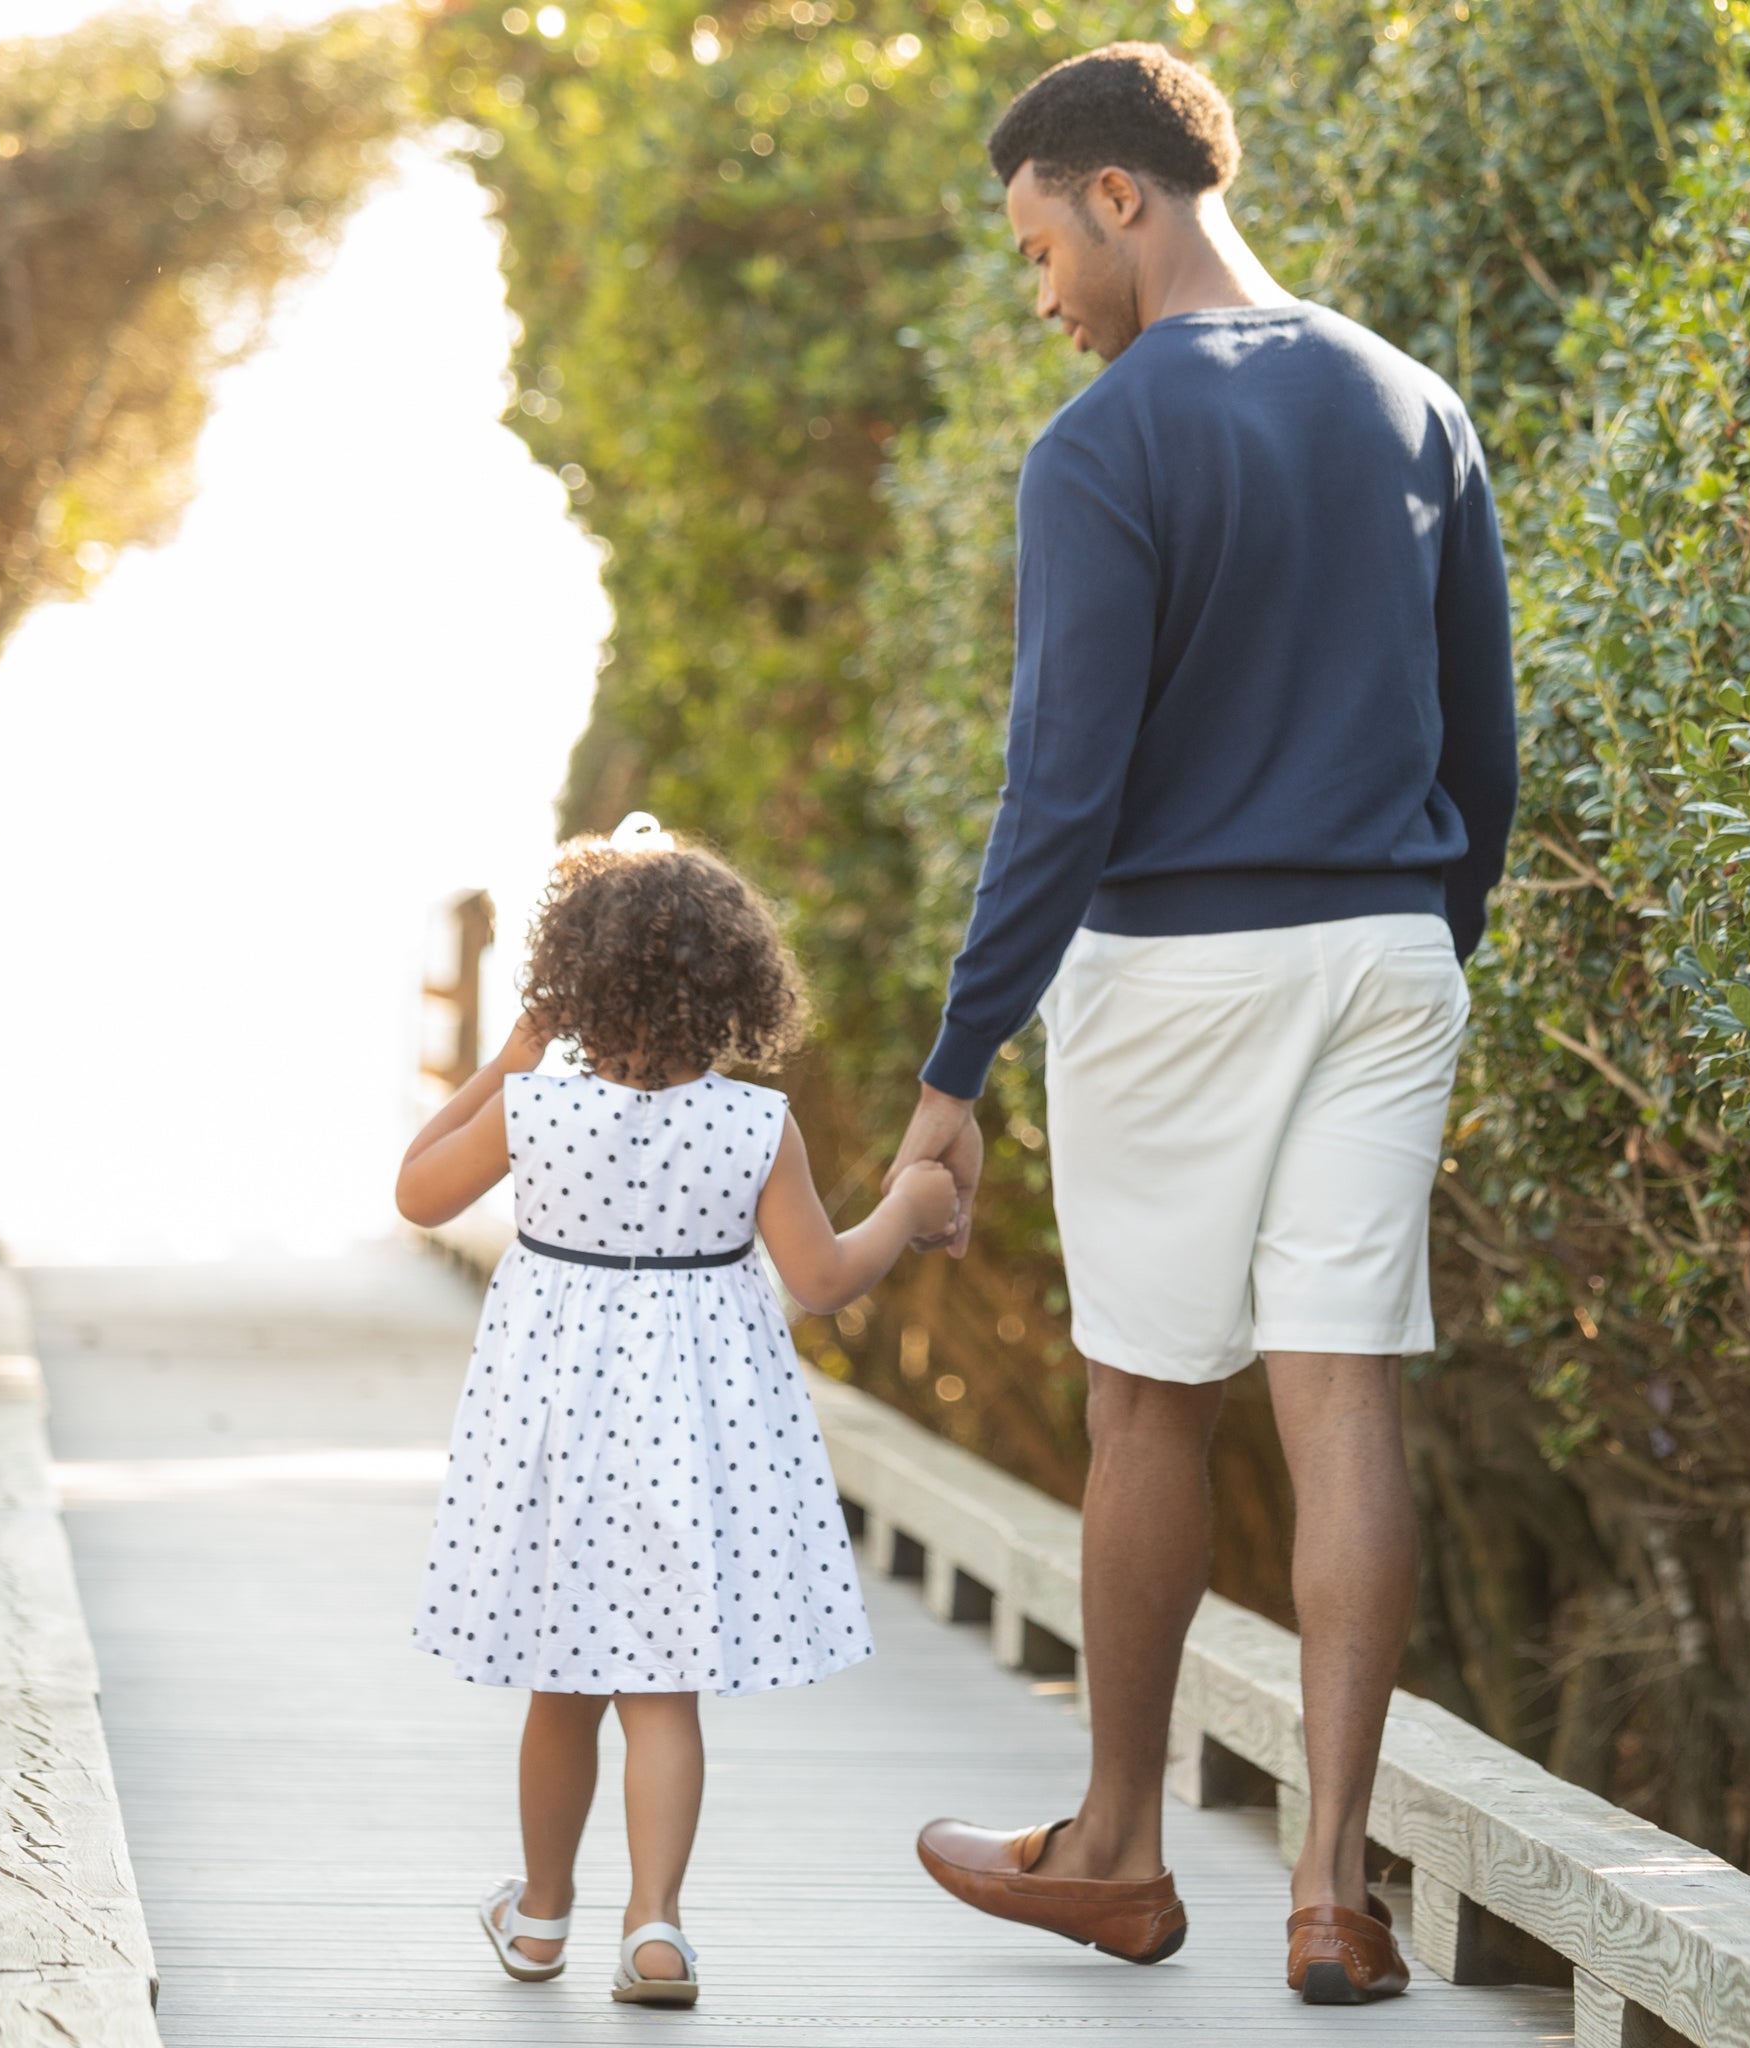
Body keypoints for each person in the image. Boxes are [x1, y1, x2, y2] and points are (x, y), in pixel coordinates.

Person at [888, 44, 1519, 2005]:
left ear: (1118, 196)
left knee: (1149, 1396)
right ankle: (1333, 1890)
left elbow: (1059, 788)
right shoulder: (1415, 401)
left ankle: (1117, 1848)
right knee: (1344, 1399)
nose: (1042, 293)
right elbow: (1481, 745)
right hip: (1387, 954)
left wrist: (949, 1071)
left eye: (1035, 249)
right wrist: (1422, 940)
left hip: (1175, 969)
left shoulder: (1102, 449)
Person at [396, 815, 957, 2010]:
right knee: (661, 1692)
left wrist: (512, 1051)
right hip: (690, 1444)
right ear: (734, 987)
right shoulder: (758, 1124)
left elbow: (417, 1188)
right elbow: (820, 1279)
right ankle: (655, 1925)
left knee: (562, 1685)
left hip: (557, 1439)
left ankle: (541, 1915)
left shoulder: (534, 1109)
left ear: (571, 985)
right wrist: (906, 1204)